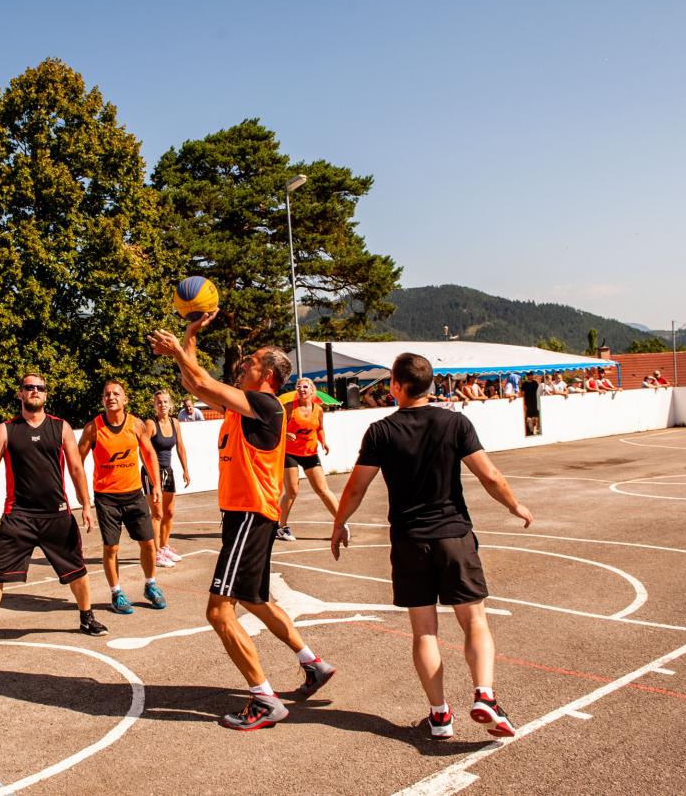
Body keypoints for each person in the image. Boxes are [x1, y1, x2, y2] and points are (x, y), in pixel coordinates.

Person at [330, 352, 533, 740]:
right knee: (474, 621)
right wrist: (514, 505)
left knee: (424, 632)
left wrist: (339, 524)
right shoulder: (455, 422)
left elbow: (356, 487)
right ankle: (485, 696)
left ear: (396, 386)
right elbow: (490, 476)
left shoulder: (380, 431)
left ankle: (440, 716)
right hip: (454, 536)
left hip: (410, 541)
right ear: (431, 384)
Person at [150, 315, 336, 731]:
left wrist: (179, 349)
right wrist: (190, 338)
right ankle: (313, 664)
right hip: (249, 515)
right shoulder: (243, 407)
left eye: (251, 360)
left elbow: (203, 381)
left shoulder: (266, 404)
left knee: (219, 612)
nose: (243, 363)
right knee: (255, 599)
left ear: (267, 374)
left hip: (251, 514)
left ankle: (265, 700)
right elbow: (196, 385)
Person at [0, 373, 107, 656]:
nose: (35, 391)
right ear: (20, 393)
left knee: (77, 570)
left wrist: (86, 504)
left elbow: (76, 468)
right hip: (19, 516)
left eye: (40, 388)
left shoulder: (61, 427)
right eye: (29, 387)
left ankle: (87, 618)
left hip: (57, 515)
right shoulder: (6, 430)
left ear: (45, 394)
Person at [78, 381, 167, 613]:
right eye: (107, 394)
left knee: (148, 544)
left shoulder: (136, 424)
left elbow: (149, 454)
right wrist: (84, 499)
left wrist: (156, 485)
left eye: (116, 394)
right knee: (111, 548)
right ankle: (116, 593)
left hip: (134, 494)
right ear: (102, 400)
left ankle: (150, 585)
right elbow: (77, 463)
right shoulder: (93, 428)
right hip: (106, 498)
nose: (111, 397)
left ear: (125, 399)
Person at [276, 377, 342, 543]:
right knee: (292, 491)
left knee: (323, 490)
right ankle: (281, 527)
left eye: (305, 387)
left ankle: (341, 523)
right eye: (298, 387)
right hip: (289, 452)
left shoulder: (318, 409)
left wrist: (323, 442)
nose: (301, 389)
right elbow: (275, 427)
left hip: (310, 452)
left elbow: (320, 428)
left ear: (312, 390)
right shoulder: (289, 407)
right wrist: (284, 433)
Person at [143, 389, 190, 568]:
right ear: (154, 405)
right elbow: (143, 450)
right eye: (159, 402)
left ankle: (163, 546)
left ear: (170, 404)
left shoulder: (175, 422)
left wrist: (185, 470)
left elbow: (180, 447)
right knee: (157, 514)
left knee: (169, 513)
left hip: (168, 471)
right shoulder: (150, 424)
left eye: (165, 402)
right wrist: (151, 474)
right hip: (152, 473)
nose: (162, 405)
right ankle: (155, 553)